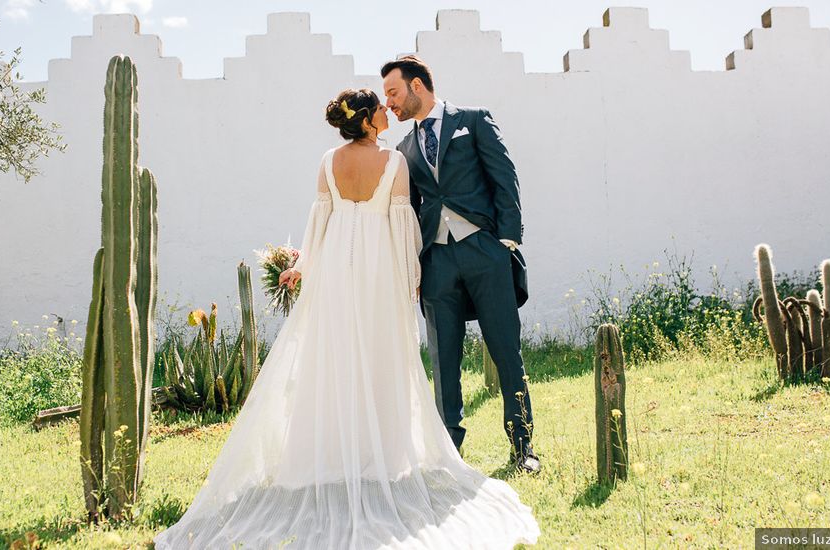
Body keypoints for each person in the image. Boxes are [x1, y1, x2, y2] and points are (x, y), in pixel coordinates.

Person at [152, 88, 539, 549]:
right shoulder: (395, 162)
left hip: (335, 270)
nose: (387, 108)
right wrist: (411, 277)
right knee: (381, 355)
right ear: (370, 120)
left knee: (333, 356)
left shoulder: (328, 160)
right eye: (381, 105)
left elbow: (319, 221)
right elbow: (402, 227)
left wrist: (303, 266)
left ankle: (333, 453)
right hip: (377, 271)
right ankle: (382, 453)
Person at [381, 55, 540, 473]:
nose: (390, 104)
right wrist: (414, 264)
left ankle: (523, 448)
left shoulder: (473, 119)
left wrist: (506, 240)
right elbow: (410, 210)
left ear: (417, 86)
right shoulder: (403, 150)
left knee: (507, 352)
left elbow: (504, 177)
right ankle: (449, 456)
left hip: (485, 252)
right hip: (436, 262)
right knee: (442, 361)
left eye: (393, 93)